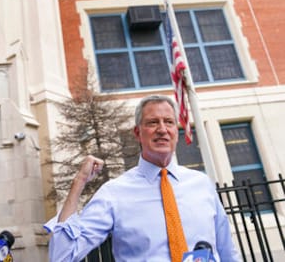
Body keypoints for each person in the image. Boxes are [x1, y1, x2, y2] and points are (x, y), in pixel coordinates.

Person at [45, 95, 241, 261]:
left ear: (176, 132)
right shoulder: (114, 193)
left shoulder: (201, 184)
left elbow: (227, 252)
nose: (162, 129)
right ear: (137, 133)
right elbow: (63, 256)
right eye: (153, 122)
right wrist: (78, 183)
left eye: (169, 122)